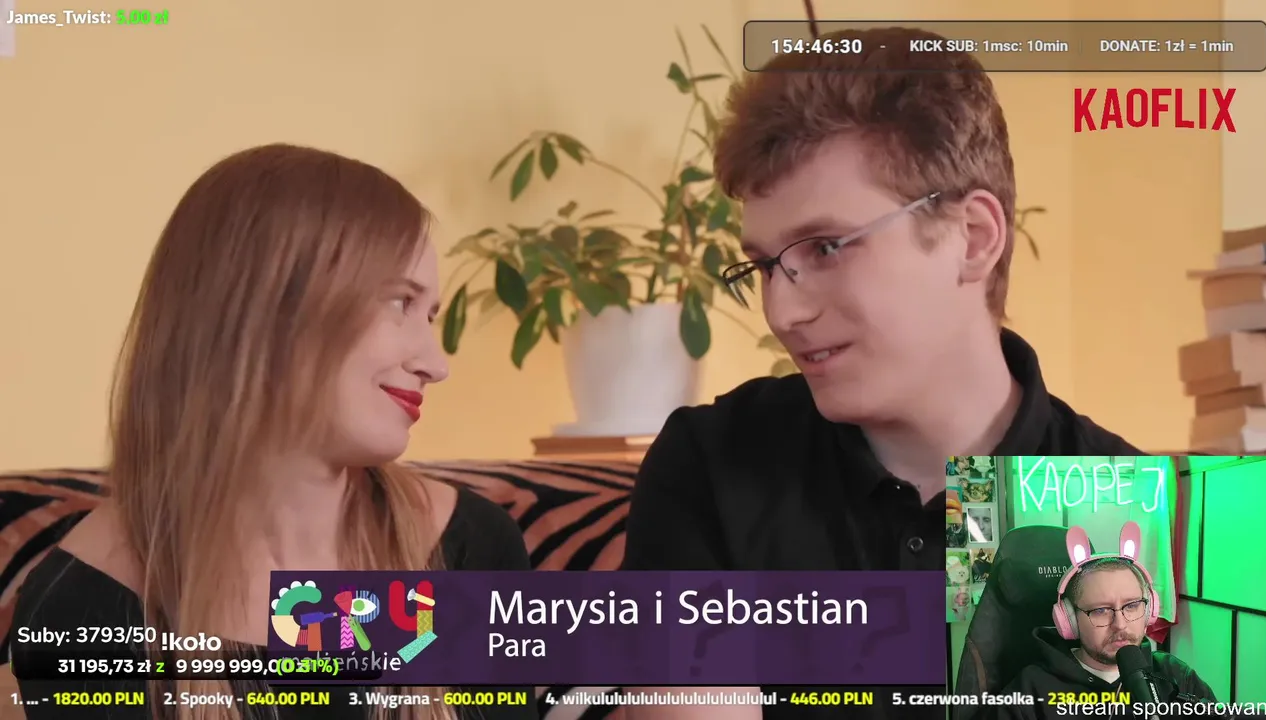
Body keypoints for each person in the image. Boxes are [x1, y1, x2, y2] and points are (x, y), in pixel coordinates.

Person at [622, 25, 1141, 720]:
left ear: (972, 238)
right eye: (765, 266)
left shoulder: (1129, 504)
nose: (782, 312)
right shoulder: (710, 466)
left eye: (826, 247)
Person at [8, 144, 538, 720]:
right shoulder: (85, 607)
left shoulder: (470, 546)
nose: (436, 365)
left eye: (429, 314)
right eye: (399, 302)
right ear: (264, 310)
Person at [992, 557, 1216, 719]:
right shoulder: (1030, 691)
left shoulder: (1175, 675)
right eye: (1100, 610)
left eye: (1132, 606)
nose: (1120, 624)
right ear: (1069, 620)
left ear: (1150, 611)